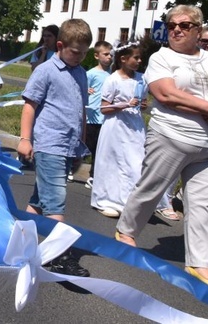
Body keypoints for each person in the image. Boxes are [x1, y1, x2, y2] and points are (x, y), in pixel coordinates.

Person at [116, 5, 208, 294]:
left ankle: (199, 264)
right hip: (170, 136)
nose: (176, 30)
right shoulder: (162, 57)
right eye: (171, 25)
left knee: (204, 204)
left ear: (198, 29)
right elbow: (165, 94)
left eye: (184, 25)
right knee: (151, 189)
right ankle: (126, 232)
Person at [17, 18, 92, 277]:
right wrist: (25, 139)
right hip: (49, 144)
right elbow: (30, 105)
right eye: (75, 52)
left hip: (69, 146)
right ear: (60, 45)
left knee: (40, 201)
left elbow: (80, 110)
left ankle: (18, 245)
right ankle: (57, 257)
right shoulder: (46, 70)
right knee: (56, 203)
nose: (80, 57)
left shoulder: (81, 72)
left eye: (84, 53)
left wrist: (80, 147)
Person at [90, 42, 171, 218]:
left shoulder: (141, 78)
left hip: (134, 126)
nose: (139, 61)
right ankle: (108, 199)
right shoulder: (113, 79)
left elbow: (141, 103)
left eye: (140, 58)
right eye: (136, 58)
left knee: (136, 161)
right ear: (123, 59)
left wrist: (142, 105)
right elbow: (104, 108)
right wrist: (124, 104)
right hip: (115, 125)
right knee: (114, 162)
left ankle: (130, 201)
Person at [84, 40, 113, 189]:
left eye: (111, 54)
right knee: (86, 146)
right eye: (106, 54)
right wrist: (86, 90)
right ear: (96, 56)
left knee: (100, 149)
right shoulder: (91, 73)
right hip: (91, 116)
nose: (109, 57)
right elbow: (82, 88)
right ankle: (71, 167)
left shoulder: (112, 74)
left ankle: (93, 176)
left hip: (105, 117)